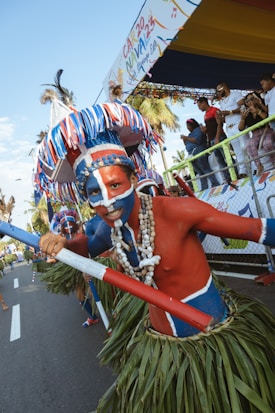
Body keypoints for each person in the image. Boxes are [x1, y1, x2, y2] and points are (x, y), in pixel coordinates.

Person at [36, 98, 275, 412]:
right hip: (162, 352)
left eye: (114, 184)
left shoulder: (179, 212)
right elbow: (86, 248)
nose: (106, 201)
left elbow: (255, 229)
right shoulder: (112, 229)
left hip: (216, 346)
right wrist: (60, 244)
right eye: (95, 192)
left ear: (133, 180)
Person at [48, 209, 99, 328]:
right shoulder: (62, 237)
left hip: (88, 267)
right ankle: (92, 317)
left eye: (70, 224)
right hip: (74, 270)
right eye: (65, 225)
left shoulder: (80, 235)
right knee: (80, 296)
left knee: (95, 293)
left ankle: (112, 311)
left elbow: (81, 242)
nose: (68, 227)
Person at [216, 81, 248, 178]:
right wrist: (220, 117)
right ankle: (243, 171)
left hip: (239, 124)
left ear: (224, 88)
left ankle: (254, 168)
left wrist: (229, 112)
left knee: (245, 147)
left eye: (219, 90)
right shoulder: (222, 102)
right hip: (229, 127)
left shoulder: (235, 94)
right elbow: (224, 119)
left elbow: (243, 107)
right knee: (237, 150)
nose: (218, 93)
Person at [239, 91, 275, 175]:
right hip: (255, 134)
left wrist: (257, 111)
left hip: (266, 131)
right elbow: (240, 128)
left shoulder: (262, 107)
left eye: (251, 99)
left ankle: (274, 161)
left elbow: (266, 117)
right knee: (249, 144)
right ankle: (259, 166)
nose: (249, 102)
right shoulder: (246, 113)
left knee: (267, 143)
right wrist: (243, 118)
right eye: (247, 101)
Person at [197, 96, 232, 183]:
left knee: (227, 157)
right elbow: (210, 128)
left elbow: (219, 124)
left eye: (199, 105)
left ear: (204, 103)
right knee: (219, 161)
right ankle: (227, 178)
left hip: (219, 137)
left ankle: (234, 173)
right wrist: (205, 130)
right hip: (212, 139)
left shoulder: (215, 110)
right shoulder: (205, 115)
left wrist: (217, 138)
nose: (199, 108)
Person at [180, 118, 220, 190]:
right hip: (192, 155)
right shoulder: (190, 134)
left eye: (188, 125)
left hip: (199, 152)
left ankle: (215, 183)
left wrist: (186, 138)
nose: (188, 128)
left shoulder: (198, 130)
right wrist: (185, 140)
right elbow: (187, 145)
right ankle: (204, 187)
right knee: (200, 172)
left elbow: (197, 140)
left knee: (205, 169)